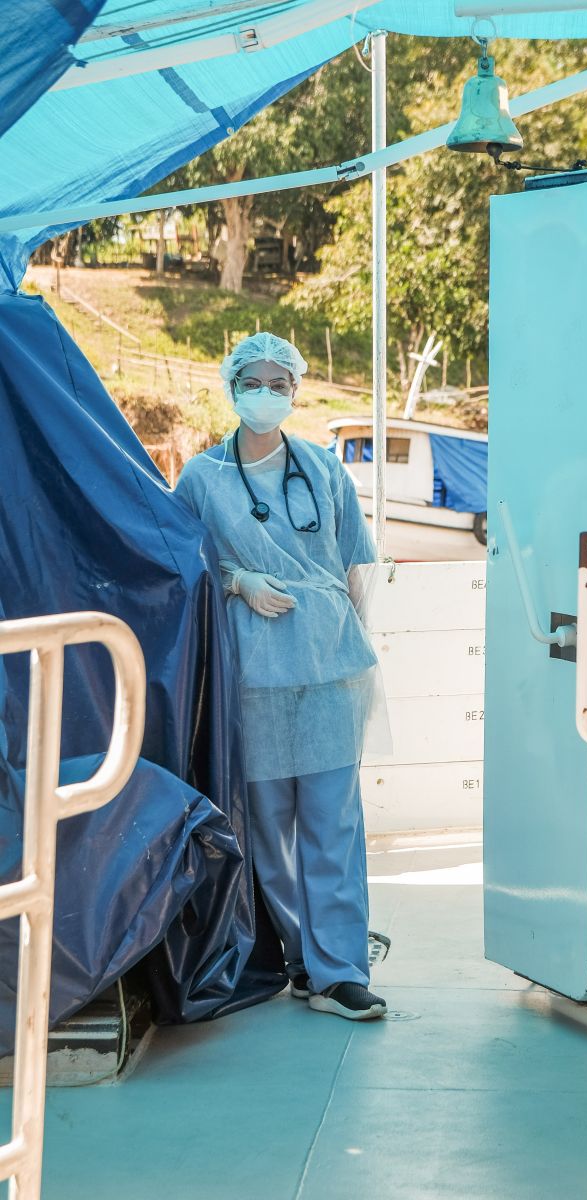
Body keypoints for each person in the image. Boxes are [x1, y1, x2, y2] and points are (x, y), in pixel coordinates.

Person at [175, 332, 387, 1021]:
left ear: (296, 391)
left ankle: (339, 971)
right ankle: (298, 957)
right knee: (268, 830)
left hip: (329, 670)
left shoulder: (325, 470)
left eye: (278, 383)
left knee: (333, 824)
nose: (266, 393)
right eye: (253, 381)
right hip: (256, 677)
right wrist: (237, 581)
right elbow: (177, 568)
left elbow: (357, 568)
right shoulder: (203, 478)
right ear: (232, 385)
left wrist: (341, 637)